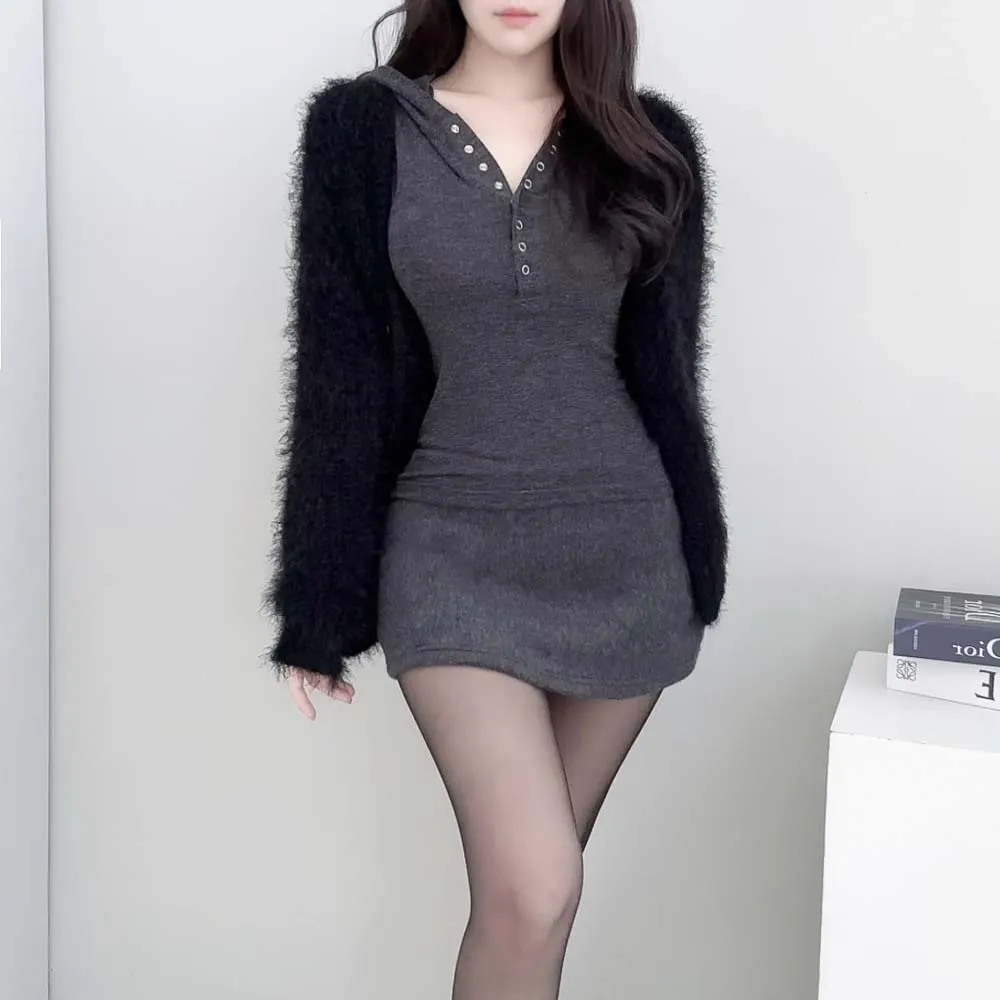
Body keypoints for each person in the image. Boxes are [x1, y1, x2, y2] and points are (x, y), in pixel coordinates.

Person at [263, 1, 728, 996]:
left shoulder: (649, 142)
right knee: (534, 884)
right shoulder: (362, 131)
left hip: (626, 555)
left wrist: (700, 554)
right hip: (450, 549)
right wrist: (317, 599)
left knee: (539, 904)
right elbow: (340, 372)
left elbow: (669, 374)